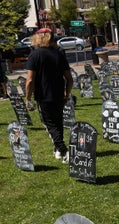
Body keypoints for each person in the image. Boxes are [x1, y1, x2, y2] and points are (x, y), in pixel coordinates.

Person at [25, 28, 73, 163]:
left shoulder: (35, 55)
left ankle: (64, 151)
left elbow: (29, 80)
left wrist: (27, 99)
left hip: (43, 95)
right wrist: (66, 93)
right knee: (58, 123)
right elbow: (69, 78)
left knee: (50, 124)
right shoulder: (59, 54)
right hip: (59, 94)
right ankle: (58, 149)